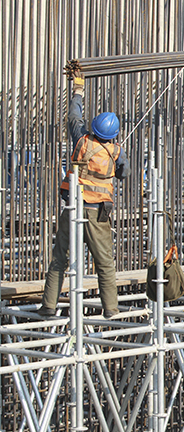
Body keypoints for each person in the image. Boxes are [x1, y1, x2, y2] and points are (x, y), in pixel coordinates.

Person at [38, 71, 132, 319]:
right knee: (104, 262)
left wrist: (78, 88)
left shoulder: (81, 140)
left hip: (73, 208)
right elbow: (124, 174)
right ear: (114, 134)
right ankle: (110, 308)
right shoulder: (116, 151)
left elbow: (73, 115)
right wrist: (116, 156)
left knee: (60, 257)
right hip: (97, 213)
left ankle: (49, 304)